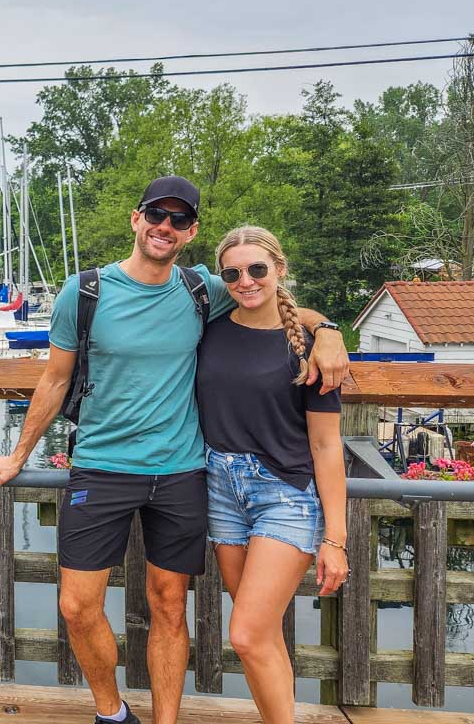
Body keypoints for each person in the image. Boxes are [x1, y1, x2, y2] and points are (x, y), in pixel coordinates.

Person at [0, 176, 350, 724]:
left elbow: (275, 306)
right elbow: (55, 380)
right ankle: (113, 713)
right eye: (156, 215)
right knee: (77, 606)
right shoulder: (87, 292)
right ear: (136, 219)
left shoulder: (201, 291)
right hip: (101, 465)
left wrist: (329, 329)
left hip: (183, 471)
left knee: (171, 605)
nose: (164, 227)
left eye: (178, 220)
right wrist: (19, 454)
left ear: (190, 232)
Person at [197, 226, 348, 724]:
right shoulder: (211, 329)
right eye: (233, 272)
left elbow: (327, 446)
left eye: (257, 268)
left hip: (284, 492)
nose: (246, 280)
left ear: (279, 269)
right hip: (220, 486)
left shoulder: (309, 346)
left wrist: (336, 540)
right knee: (260, 638)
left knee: (245, 633)